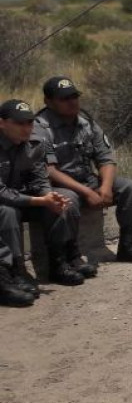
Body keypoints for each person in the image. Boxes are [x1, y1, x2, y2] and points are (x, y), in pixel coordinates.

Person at [33, 76, 132, 271]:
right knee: (68, 200)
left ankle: (128, 246)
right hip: (59, 185)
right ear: (49, 102)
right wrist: (88, 192)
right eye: (64, 98)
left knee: (130, 188)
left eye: (74, 96)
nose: (72, 102)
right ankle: (68, 259)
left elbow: (105, 158)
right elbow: (49, 171)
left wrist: (105, 187)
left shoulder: (86, 122)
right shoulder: (40, 128)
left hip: (86, 179)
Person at [0, 98, 77, 305]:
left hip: (24, 199)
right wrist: (39, 200)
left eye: (30, 123)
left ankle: (59, 263)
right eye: (19, 123)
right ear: (2, 123)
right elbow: (1, 193)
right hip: (6, 202)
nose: (26, 129)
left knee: (62, 200)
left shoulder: (35, 145)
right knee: (6, 212)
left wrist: (49, 196)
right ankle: (13, 275)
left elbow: (39, 178)